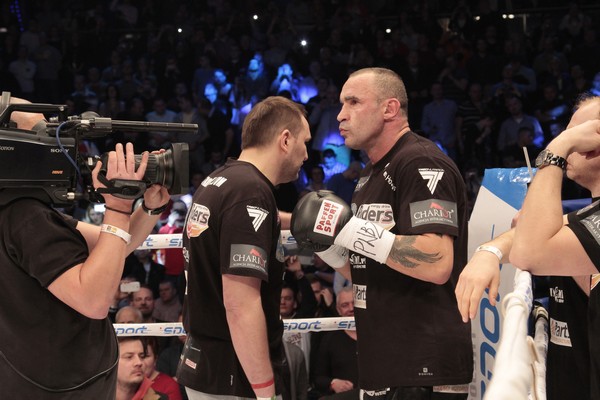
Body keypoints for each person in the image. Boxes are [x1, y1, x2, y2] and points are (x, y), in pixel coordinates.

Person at [292, 67, 472, 399]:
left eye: (353, 102)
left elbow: (437, 262)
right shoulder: (369, 176)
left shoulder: (421, 162)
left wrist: (348, 228)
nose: (341, 115)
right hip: (384, 360)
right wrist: (328, 246)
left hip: (423, 365)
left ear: (389, 108)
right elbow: (364, 269)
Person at [0, 95, 170, 398]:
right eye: (42, 134)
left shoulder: (20, 210)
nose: (56, 146)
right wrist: (118, 206)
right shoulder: (24, 216)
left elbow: (115, 247)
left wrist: (148, 208)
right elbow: (94, 301)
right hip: (63, 389)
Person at [454, 95, 600, 400]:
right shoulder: (590, 213)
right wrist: (490, 251)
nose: (569, 139)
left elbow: (530, 251)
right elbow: (535, 233)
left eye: (577, 132)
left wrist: (557, 150)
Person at [177, 96, 311, 400]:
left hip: (211, 362)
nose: (306, 154)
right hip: (234, 372)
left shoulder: (221, 179)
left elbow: (243, 221)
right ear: (285, 140)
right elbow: (240, 305)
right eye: (304, 142)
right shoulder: (250, 192)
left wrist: (300, 220)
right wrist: (265, 392)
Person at [312, 287, 359, 399]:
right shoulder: (329, 339)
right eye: (345, 305)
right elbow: (318, 378)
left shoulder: (376, 336)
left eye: (354, 304)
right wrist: (333, 383)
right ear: (338, 310)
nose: (351, 308)